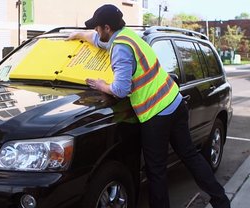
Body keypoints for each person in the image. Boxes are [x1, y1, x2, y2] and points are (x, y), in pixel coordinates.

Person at [67, 4, 230, 208]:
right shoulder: (128, 36)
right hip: (175, 102)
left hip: (157, 114)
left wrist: (101, 84)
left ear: (107, 28)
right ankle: (221, 200)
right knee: (190, 156)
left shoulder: (120, 49)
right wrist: (77, 35)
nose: (96, 32)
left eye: (98, 27)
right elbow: (97, 40)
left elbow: (120, 89)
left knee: (156, 170)